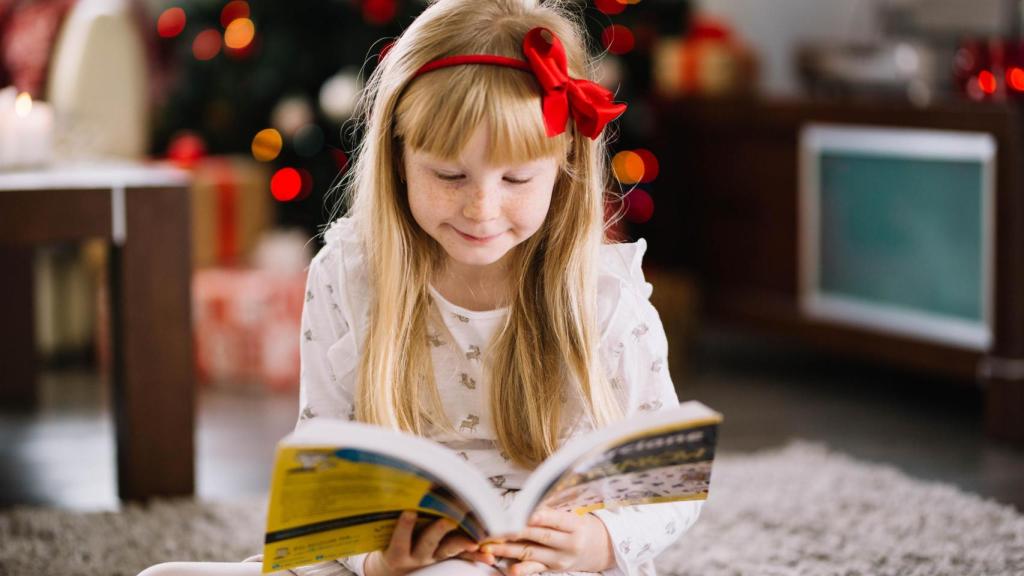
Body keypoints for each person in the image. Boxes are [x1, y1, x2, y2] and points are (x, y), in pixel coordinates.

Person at [138, 1, 702, 575]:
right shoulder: (349, 273)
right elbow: (323, 467)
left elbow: (671, 483)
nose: (481, 207)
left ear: (561, 171)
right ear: (400, 159)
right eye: (449, 175)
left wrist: (601, 542)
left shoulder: (602, 293)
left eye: (516, 179)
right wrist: (373, 560)